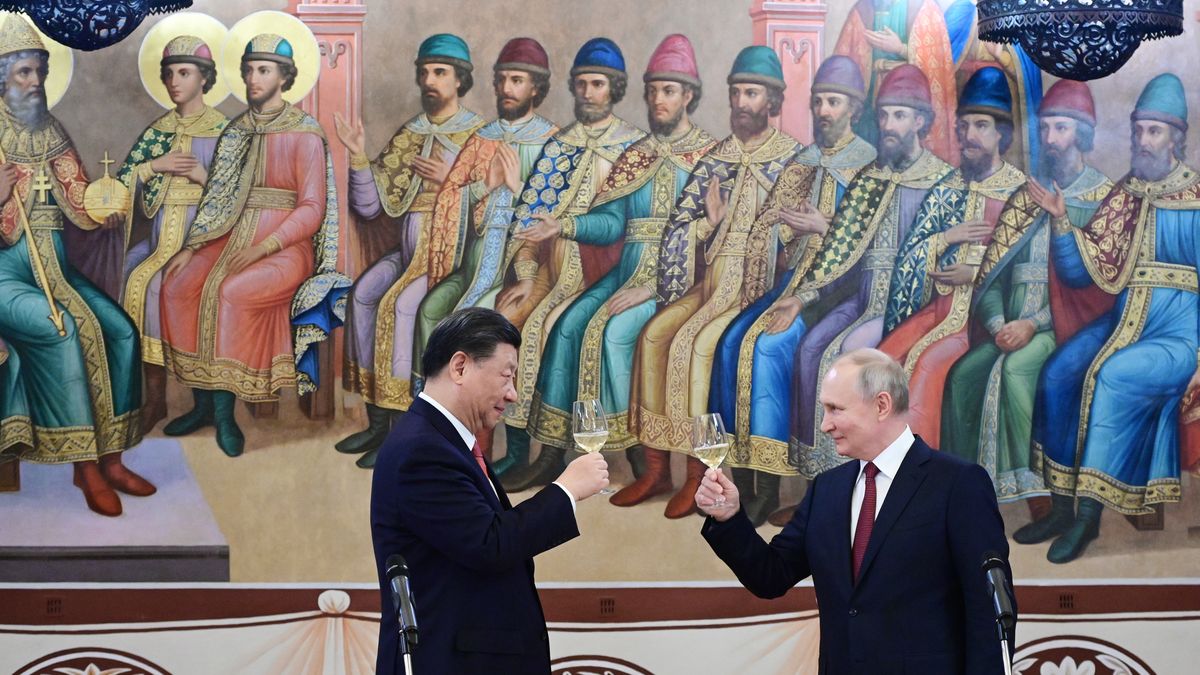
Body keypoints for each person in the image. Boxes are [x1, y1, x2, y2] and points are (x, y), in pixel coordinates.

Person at [697, 348, 1013, 674]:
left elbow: (987, 609)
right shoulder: (826, 490)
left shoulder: (958, 483)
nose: (824, 425)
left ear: (881, 405)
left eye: (835, 409)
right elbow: (771, 576)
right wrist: (729, 517)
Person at [519, 33, 716, 490]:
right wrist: (563, 226)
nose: (658, 100)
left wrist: (655, 287)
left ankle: (642, 459)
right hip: (625, 274)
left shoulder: (710, 157)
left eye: (669, 91)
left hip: (681, 282)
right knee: (568, 326)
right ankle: (552, 452)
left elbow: (714, 235)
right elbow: (611, 224)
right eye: (653, 91)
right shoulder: (637, 156)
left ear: (688, 95)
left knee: (614, 334)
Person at [370, 307, 609, 674]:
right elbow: (489, 543)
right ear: (460, 367)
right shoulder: (422, 449)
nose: (512, 395)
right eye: (507, 376)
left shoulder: (443, 441)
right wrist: (566, 490)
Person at [1025, 73, 1200, 563]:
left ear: (1176, 138)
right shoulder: (1125, 194)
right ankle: (1061, 507)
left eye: (1154, 131)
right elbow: (1080, 273)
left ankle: (1088, 518)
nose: (1143, 140)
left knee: (1113, 375)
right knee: (1059, 372)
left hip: (1179, 336)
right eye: (1138, 130)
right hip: (1123, 325)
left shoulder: (1198, 198)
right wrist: (1062, 220)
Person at [623, 46, 801, 518]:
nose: (742, 102)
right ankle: (656, 470)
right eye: (736, 92)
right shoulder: (717, 158)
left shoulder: (793, 161)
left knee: (696, 346)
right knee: (654, 335)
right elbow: (680, 230)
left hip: (754, 291)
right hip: (709, 288)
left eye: (752, 93)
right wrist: (711, 222)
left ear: (772, 100)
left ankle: (700, 473)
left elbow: (796, 239)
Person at [160, 33, 348, 457]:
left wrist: (265, 247)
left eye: (263, 70)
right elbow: (217, 197)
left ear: (284, 77)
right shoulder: (237, 131)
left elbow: (312, 209)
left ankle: (225, 414)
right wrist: (191, 246)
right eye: (248, 70)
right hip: (230, 235)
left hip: (286, 248)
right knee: (178, 285)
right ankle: (202, 404)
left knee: (232, 291)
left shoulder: (304, 133)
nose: (252, 78)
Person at [710, 54, 875, 525]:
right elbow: (771, 223)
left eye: (834, 102)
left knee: (769, 347)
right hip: (793, 280)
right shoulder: (805, 160)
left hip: (839, 289)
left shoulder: (870, 165)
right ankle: (743, 480)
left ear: (853, 109)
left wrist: (824, 226)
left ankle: (771, 485)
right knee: (730, 343)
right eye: (818, 101)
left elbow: (875, 243)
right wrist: (782, 231)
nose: (823, 111)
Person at [0, 14, 151, 517]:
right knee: (62, 329)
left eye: (39, 71)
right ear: (2, 77)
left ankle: (112, 458)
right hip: (6, 274)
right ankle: (83, 465)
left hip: (56, 269)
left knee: (121, 331)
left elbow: (78, 196)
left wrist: (106, 204)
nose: (35, 82)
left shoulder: (49, 129)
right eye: (24, 72)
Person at [493, 37, 646, 484]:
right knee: (507, 321)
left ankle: (551, 452)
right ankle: (517, 450)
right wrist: (525, 274)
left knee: (549, 328)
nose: (587, 92)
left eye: (597, 84)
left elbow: (616, 227)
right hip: (552, 271)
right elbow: (529, 220)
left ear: (614, 88)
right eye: (581, 84)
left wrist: (565, 226)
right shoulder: (560, 146)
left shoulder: (633, 149)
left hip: (606, 273)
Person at [336, 34, 486, 460]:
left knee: (400, 306)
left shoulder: (480, 135)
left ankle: (402, 431)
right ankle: (376, 423)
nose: (429, 81)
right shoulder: (411, 133)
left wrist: (450, 183)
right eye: (424, 73)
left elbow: (495, 207)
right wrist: (358, 156)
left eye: (439, 72)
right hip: (407, 254)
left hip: (450, 259)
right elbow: (370, 206)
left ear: (460, 79)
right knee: (364, 295)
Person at [118, 34, 227, 434]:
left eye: (184, 73)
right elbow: (121, 183)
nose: (174, 82)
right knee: (128, 274)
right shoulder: (158, 131)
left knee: (157, 285)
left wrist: (202, 176)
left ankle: (205, 401)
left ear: (205, 78)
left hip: (207, 238)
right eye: (169, 74)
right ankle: (153, 396)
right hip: (159, 238)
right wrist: (154, 166)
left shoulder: (224, 131)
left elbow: (241, 197)